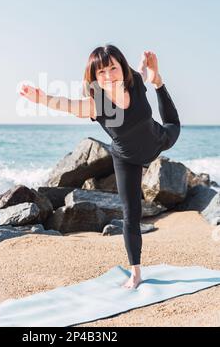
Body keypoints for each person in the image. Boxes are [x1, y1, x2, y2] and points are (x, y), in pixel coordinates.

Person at [19, 44, 181, 290]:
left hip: (158, 140)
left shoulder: (135, 80)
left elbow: (132, 73)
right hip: (126, 158)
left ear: (122, 68)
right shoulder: (97, 105)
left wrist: (148, 72)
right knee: (131, 213)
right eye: (101, 72)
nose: (108, 75)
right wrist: (41, 98)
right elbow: (66, 104)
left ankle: (157, 80)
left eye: (113, 68)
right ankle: (135, 272)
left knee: (174, 124)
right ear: (94, 78)